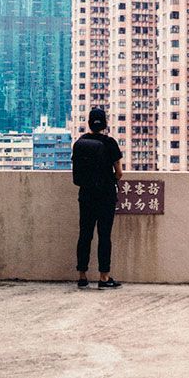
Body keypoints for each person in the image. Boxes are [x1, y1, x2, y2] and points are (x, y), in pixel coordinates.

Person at [71, 108, 123, 289]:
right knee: (104, 236)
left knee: (85, 235)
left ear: (89, 123)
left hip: (86, 194)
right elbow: (119, 172)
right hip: (105, 195)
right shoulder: (110, 143)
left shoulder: (80, 143)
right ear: (105, 124)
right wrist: (109, 181)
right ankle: (104, 277)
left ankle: (82, 276)